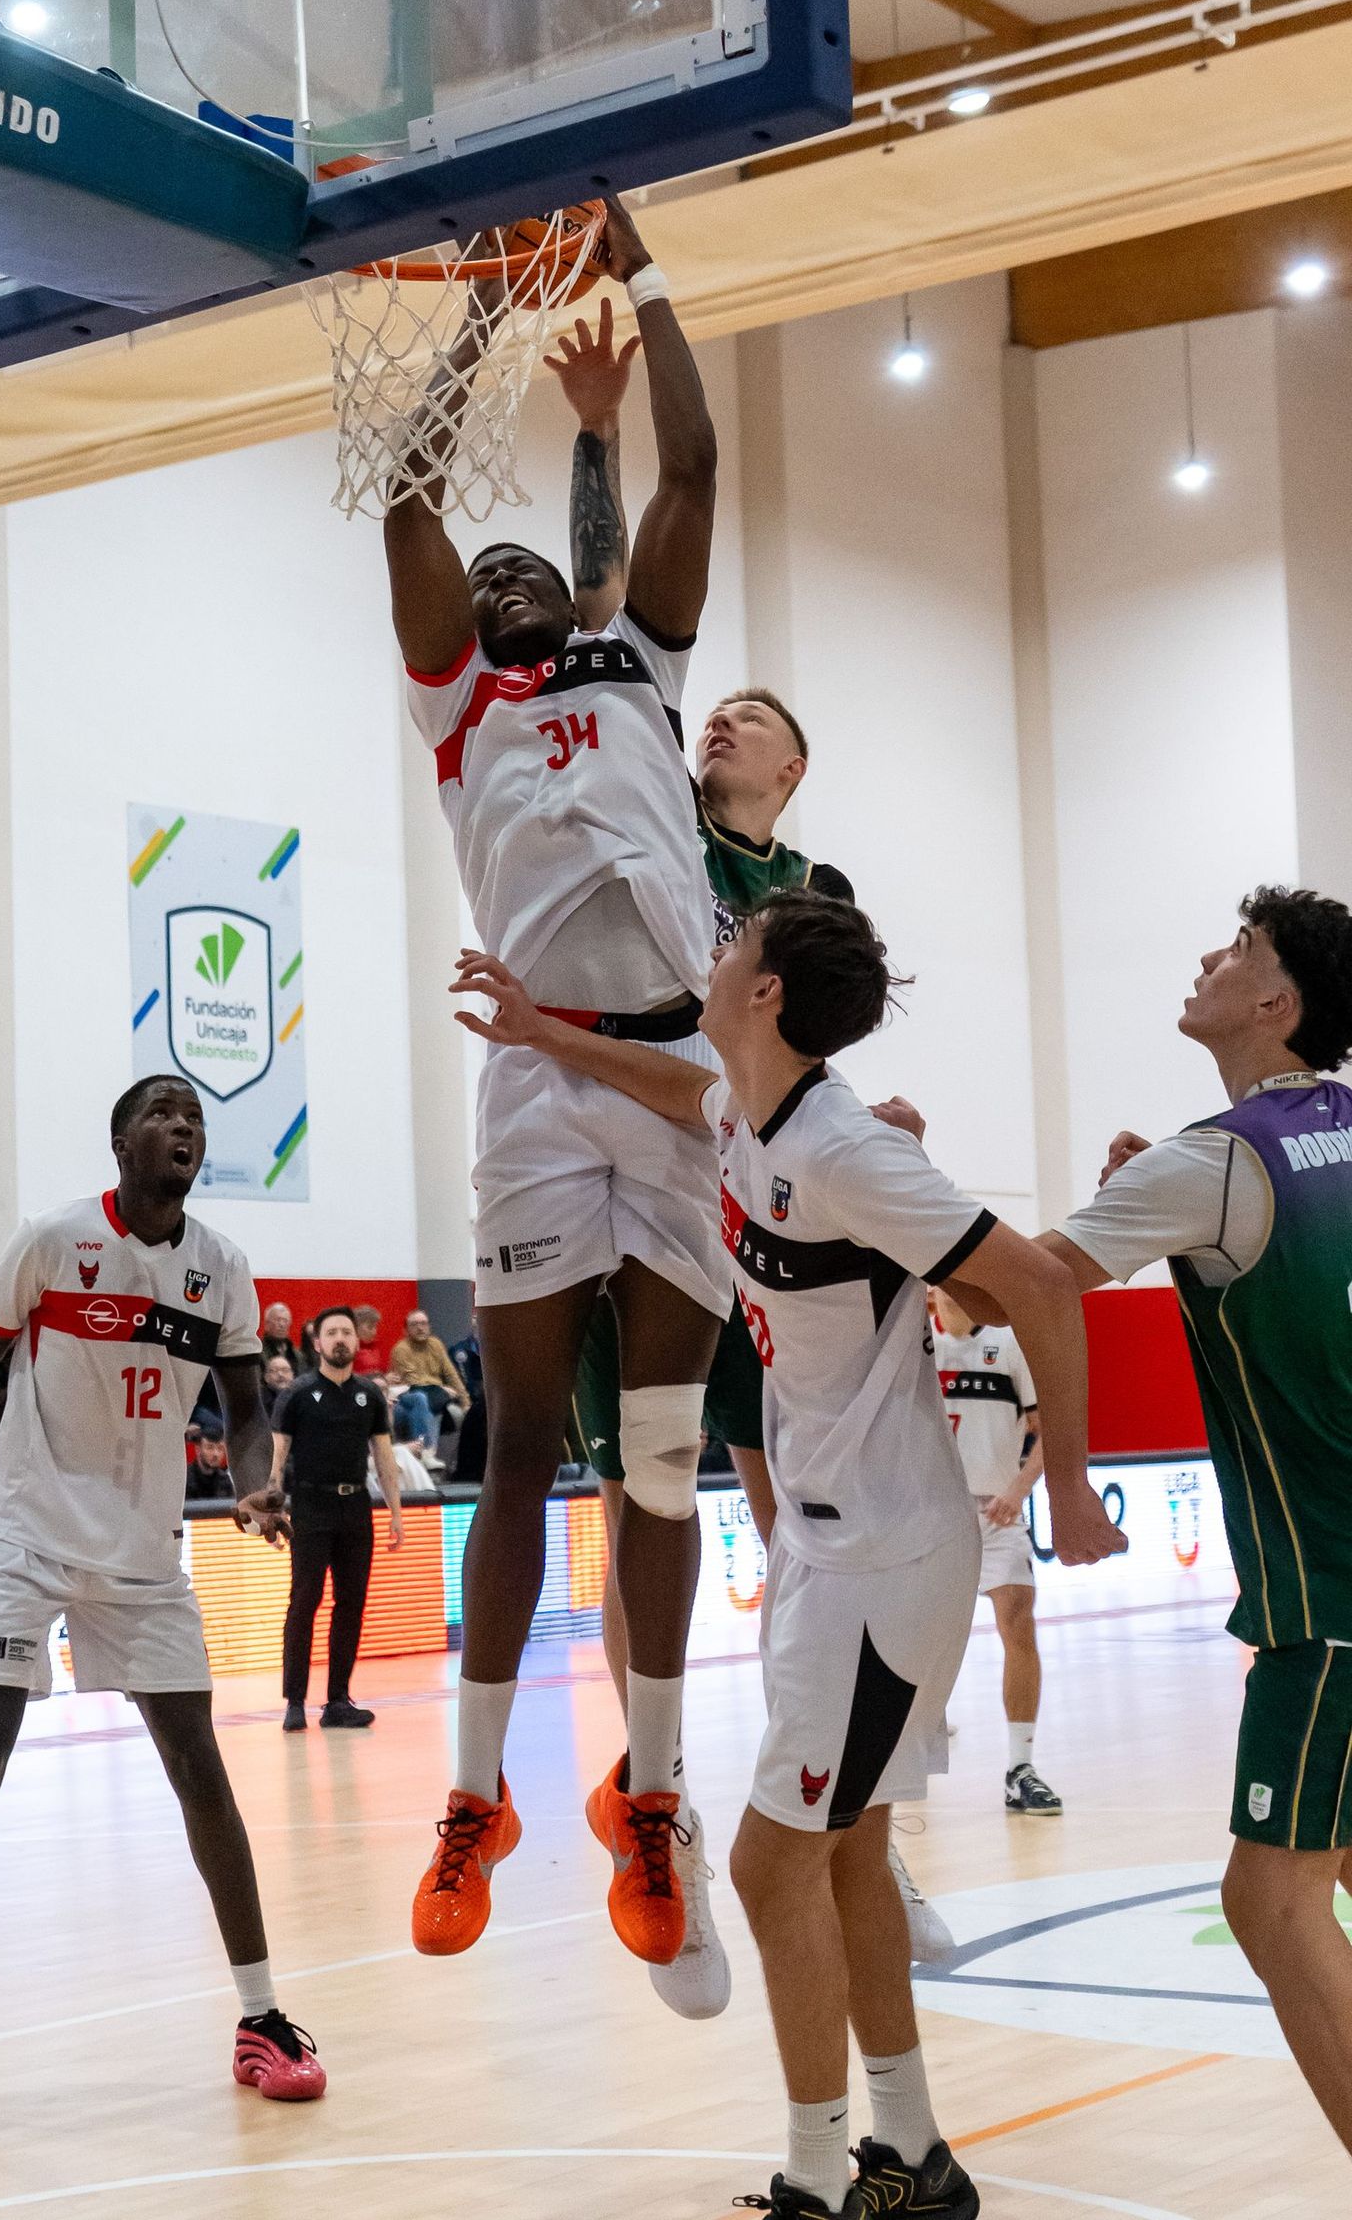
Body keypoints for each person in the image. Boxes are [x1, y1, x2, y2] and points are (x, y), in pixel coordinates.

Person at [453, 889, 1123, 2220]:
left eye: (733, 944)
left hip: (886, 1553)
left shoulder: (844, 1147)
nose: (713, 955)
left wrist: (1072, 1484)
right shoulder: (749, 1109)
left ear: (762, 992)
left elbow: (1040, 1283)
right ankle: (913, 2154)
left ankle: (819, 2174)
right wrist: (543, 1030)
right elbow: (676, 1087)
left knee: (769, 1865)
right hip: (826, 1547)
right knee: (850, 1853)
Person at [387, 193, 728, 1975]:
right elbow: (411, 501)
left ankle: (648, 1792)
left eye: (533, 569)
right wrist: (481, 317)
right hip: (529, 1072)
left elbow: (695, 464)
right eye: (489, 576)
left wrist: (639, 267)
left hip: (671, 1063)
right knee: (520, 1444)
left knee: (658, 1450)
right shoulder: (461, 703)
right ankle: (476, 1794)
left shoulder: (639, 656)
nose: (507, 578)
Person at [547, 302, 856, 2014]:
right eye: (712, 705)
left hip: (768, 1205)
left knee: (802, 1513)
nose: (717, 717)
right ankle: (657, 1802)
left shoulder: (814, 900)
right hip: (633, 1173)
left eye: (748, 714)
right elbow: (608, 602)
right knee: (643, 1496)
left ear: (792, 767)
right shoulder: (652, 787)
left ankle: (832, 1800)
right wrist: (598, 435)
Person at [0, 1074, 324, 2128]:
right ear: (120, 1142)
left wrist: (256, 1477)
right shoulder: (50, 1239)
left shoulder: (223, 1268)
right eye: (162, 1113)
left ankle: (261, 2017)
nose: (184, 1126)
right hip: (24, 1535)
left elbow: (247, 1411)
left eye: (195, 1117)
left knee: (201, 1770)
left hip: (143, 1554)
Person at [1029, 886, 1352, 2162]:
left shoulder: (1217, 1159)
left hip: (1329, 1599)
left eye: (1242, 949)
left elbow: (1007, 1284)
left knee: (1268, 1899)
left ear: (1275, 1003)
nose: (1212, 955)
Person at [929, 1285, 1060, 1815]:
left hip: (996, 1511)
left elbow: (1050, 1431)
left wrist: (1019, 1489)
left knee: (1018, 1619)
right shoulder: (915, 1343)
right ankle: (904, 1752)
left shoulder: (1008, 1343)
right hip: (930, 1513)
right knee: (915, 1635)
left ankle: (1019, 1767)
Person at [272, 1308, 406, 1734]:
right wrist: (272, 1509)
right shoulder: (296, 1393)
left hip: (356, 1508)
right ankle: (295, 1701)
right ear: (317, 1343)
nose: (340, 1339)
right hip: (310, 1506)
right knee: (304, 1600)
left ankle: (338, 1701)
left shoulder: (369, 1395)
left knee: (351, 1603)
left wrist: (396, 1512)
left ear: (356, 1341)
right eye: (331, 1333)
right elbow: (277, 1454)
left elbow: (384, 1457)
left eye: (346, 1332)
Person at [184, 1424, 236, 1504]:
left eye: (220, 1448)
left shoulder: (225, 1480)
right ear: (198, 1450)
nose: (216, 1454)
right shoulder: (184, 1478)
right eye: (210, 1447)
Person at [261, 1301, 302, 1376]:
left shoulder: (297, 1355)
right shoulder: (258, 1352)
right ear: (267, 1324)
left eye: (285, 1320)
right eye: (278, 1320)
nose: (282, 1324)